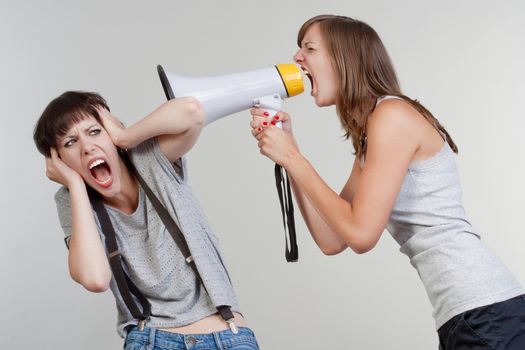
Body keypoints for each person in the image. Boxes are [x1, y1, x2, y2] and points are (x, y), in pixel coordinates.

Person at [250, 14, 525, 349]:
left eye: (309, 48)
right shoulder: (371, 135)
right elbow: (332, 239)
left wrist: (294, 158)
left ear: (344, 58)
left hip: (485, 310)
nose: (297, 58)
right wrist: (289, 154)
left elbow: (362, 234)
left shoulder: (391, 116)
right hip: (468, 315)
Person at [34, 91, 259, 349]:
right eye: (70, 142)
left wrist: (124, 136)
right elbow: (95, 278)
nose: (87, 147)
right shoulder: (73, 201)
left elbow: (192, 111)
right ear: (59, 162)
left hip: (225, 335)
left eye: (94, 131)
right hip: (150, 340)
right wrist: (74, 185)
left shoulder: (151, 159)